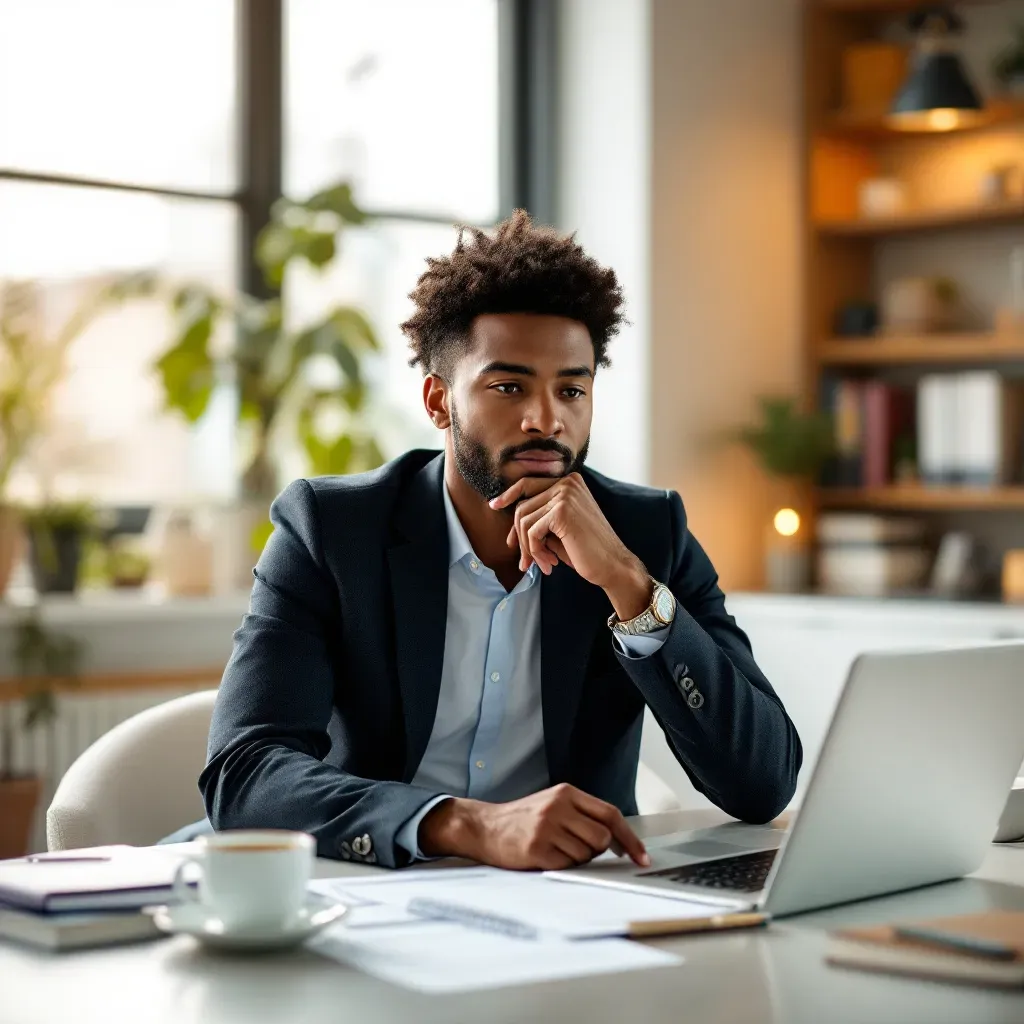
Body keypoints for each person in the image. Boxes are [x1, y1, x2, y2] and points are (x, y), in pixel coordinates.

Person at [197, 210, 802, 869]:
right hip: (371, 888)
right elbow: (245, 772)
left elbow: (762, 784)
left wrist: (630, 588)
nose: (546, 419)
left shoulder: (646, 534)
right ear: (439, 401)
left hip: (572, 901)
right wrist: (462, 824)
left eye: (572, 389)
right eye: (509, 387)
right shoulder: (334, 531)